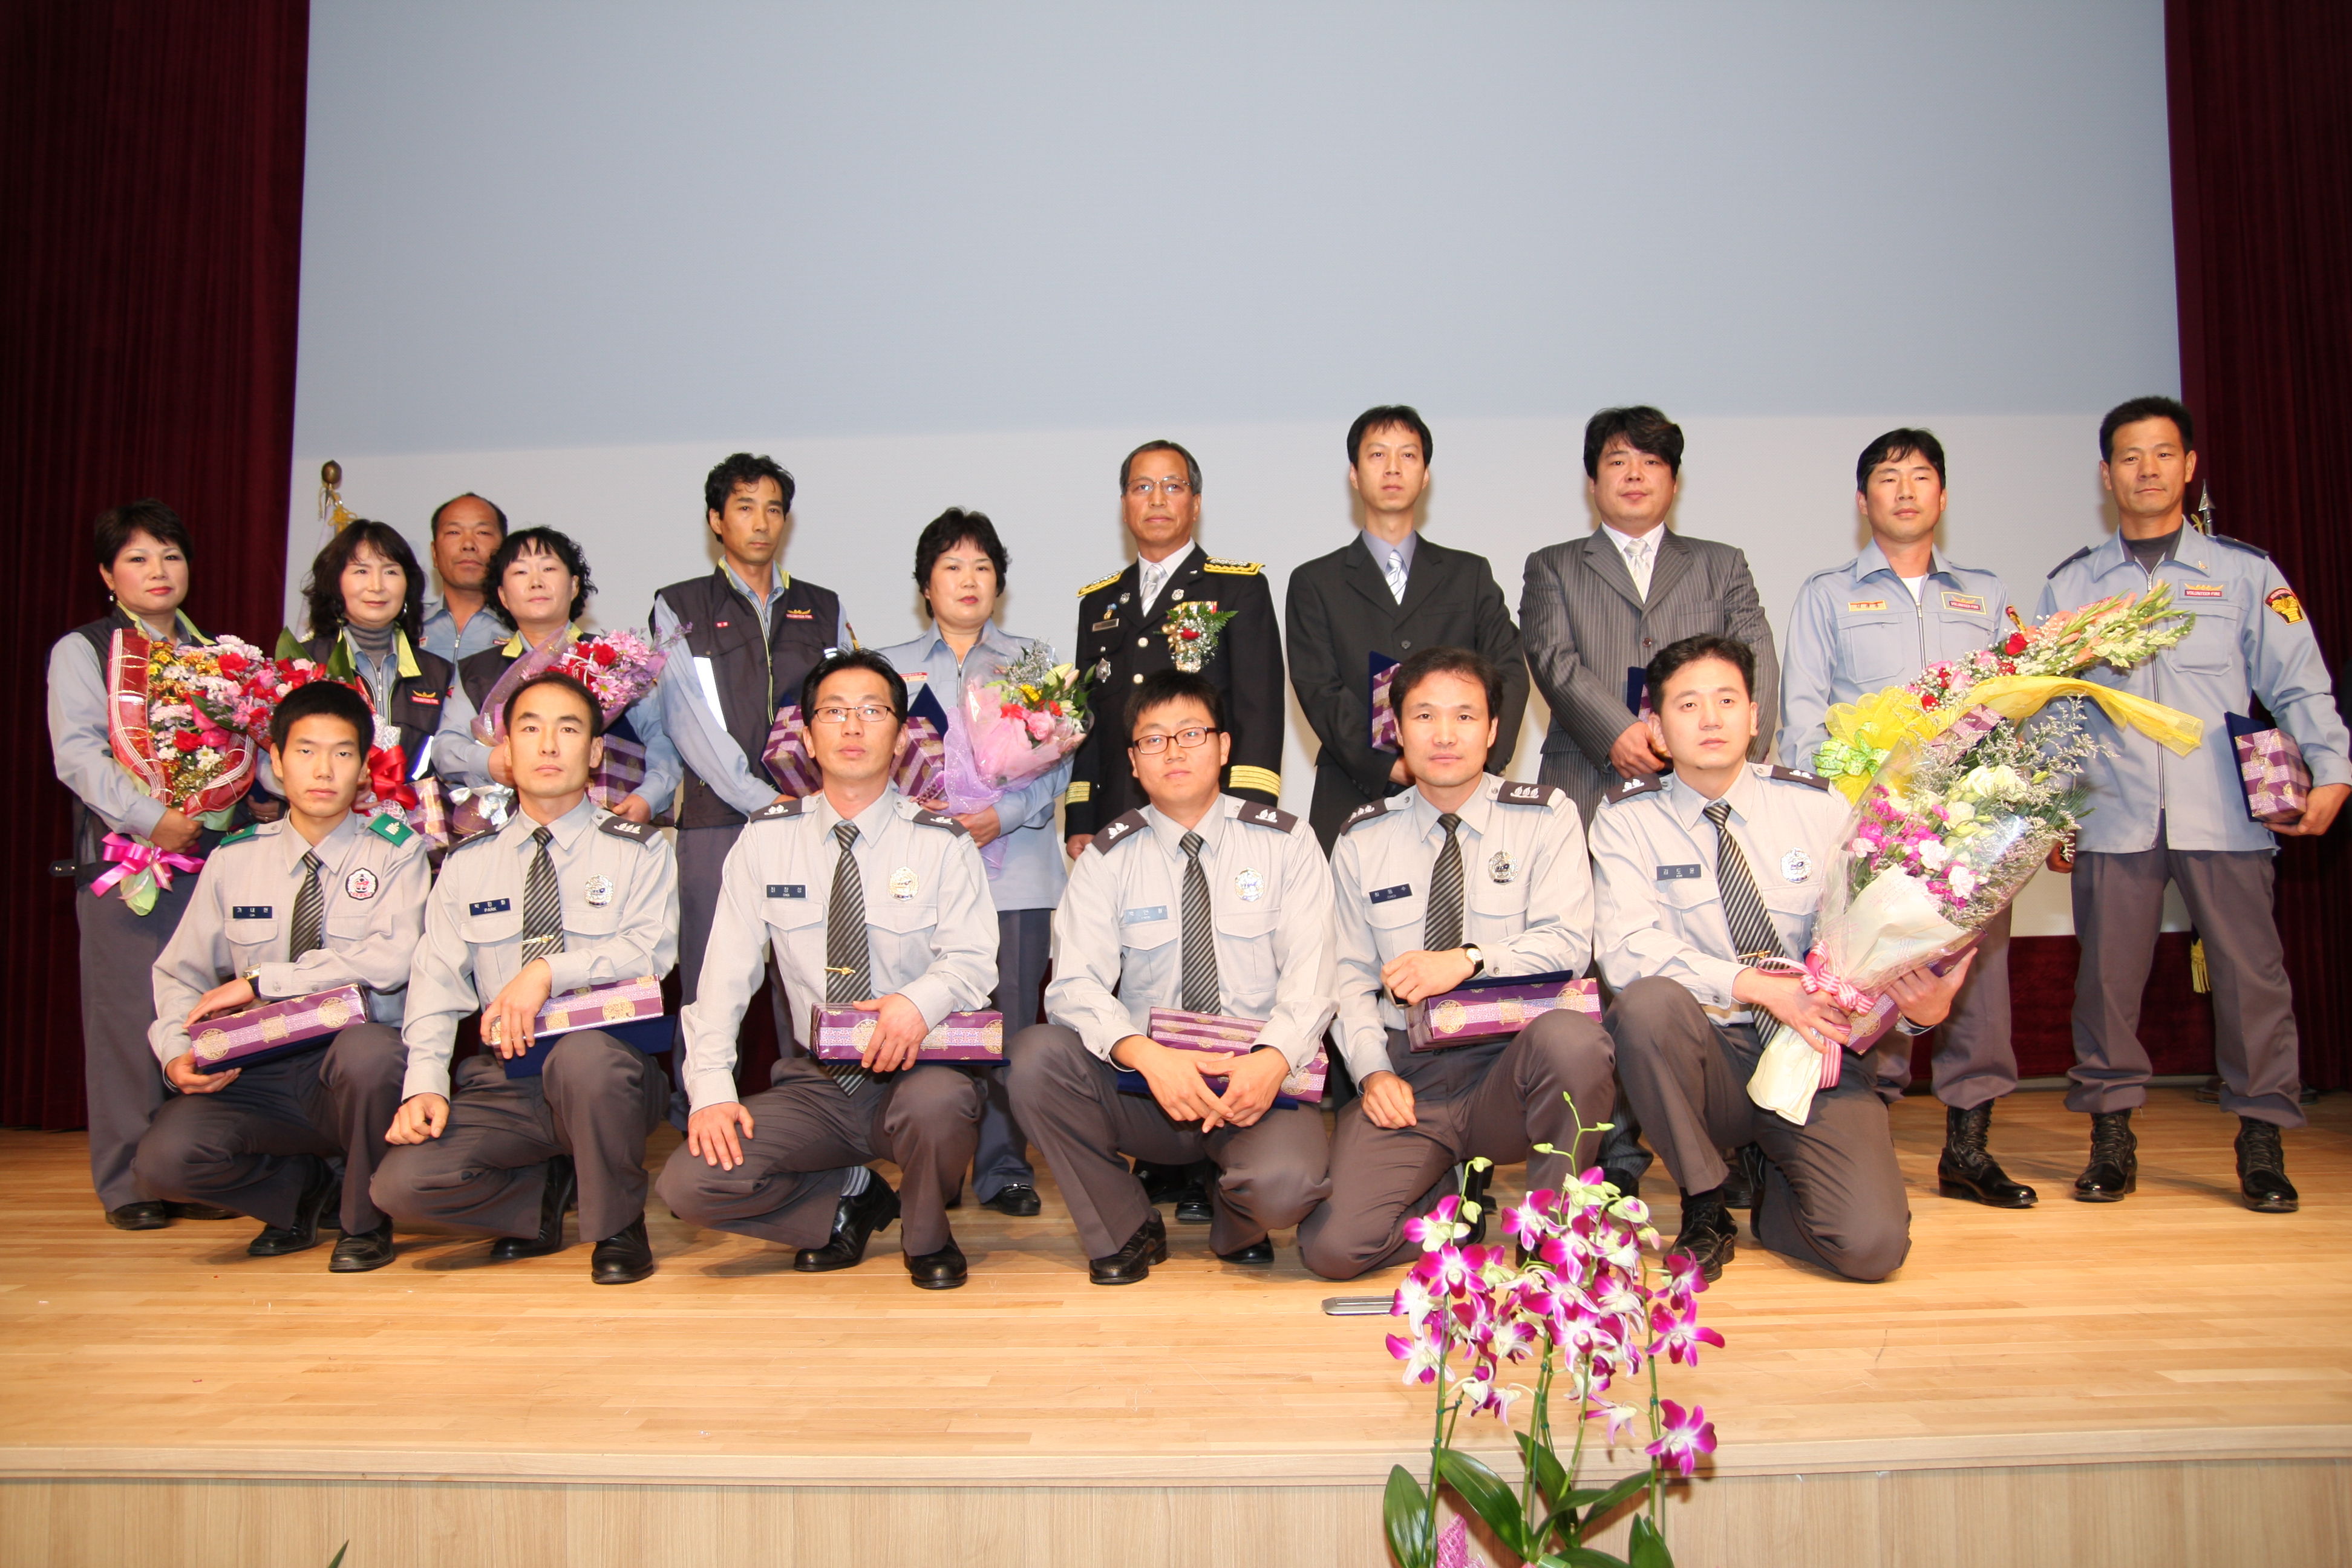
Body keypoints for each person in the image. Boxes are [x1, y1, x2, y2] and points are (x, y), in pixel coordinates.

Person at [2040, 396, 2348, 1214]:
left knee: (2253, 982)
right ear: (2106, 474)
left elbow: (2300, 683)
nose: (2147, 470)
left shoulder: (2246, 573)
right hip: (2115, 813)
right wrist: (2050, 812)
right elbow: (2053, 708)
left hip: (2226, 812)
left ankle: (2262, 1139)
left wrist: (2333, 769)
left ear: (2189, 466)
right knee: (2107, 985)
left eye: (2163, 454)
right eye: (2130, 457)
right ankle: (2112, 1138)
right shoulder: (2073, 583)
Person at [1593, 636, 1973, 1282]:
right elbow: (1628, 950)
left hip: (1812, 1048)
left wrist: (1919, 1014)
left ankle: (1774, 1190)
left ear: (1754, 717)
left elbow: (1872, 944)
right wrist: (1757, 986)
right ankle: (1706, 1201)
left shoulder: (1819, 807)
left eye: (1726, 701)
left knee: (1871, 1249)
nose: (1710, 719)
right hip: (1709, 1057)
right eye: (1687, 705)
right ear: (1655, 727)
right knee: (1647, 1006)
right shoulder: (1627, 820)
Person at [658, 652, 998, 1289]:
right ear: (808, 739)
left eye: (873, 711)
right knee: (690, 1183)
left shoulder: (942, 842)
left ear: (900, 737)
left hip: (918, 1069)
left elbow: (974, 960)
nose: (853, 726)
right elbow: (724, 980)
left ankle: (928, 1236)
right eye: (834, 712)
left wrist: (916, 1004)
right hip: (819, 1082)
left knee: (942, 1104)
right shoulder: (766, 840)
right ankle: (848, 1198)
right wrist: (711, 1091)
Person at [1520, 406, 1780, 1192]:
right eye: (1617, 462)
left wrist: (1715, 746)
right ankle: (1617, 1156)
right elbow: (1553, 658)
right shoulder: (1553, 566)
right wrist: (1618, 733)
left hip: (1699, 789)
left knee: (1715, 940)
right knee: (1601, 972)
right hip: (1590, 777)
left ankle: (1733, 1136)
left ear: (1674, 478)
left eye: (1651, 462)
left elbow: (1755, 662)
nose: (1634, 476)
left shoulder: (1720, 565)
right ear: (1592, 479)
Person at [1299, 647, 1616, 1281]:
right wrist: (1372, 1073)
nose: (1444, 734)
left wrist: (1470, 961)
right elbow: (1349, 978)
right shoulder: (1362, 838)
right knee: (1333, 1248)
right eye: (1424, 716)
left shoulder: (1545, 816)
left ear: (1493, 730)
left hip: (1513, 1066)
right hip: (1411, 1075)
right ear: (1398, 731)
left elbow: (1567, 945)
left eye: (1465, 716)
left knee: (1576, 1042)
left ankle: (1551, 1239)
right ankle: (1448, 1196)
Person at [1008, 670, 1334, 1284]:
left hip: (1257, 1082)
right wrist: (1147, 1056)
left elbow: (1313, 977)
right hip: (1151, 1089)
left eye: (1191, 733)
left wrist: (1270, 1061)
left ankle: (1236, 1215)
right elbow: (1074, 988)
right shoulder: (1107, 858)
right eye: (1154, 740)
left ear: (1225, 747)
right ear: (1134, 762)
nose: (1174, 752)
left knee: (1286, 1187)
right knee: (1034, 1059)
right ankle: (1125, 1223)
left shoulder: (1286, 843)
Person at [1776, 430, 2032, 1207]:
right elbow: (1802, 717)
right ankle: (1868, 1136)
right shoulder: (1827, 595)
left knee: (1976, 988)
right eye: (1889, 478)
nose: (1906, 490)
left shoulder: (1985, 595)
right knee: (1874, 983)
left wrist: (2012, 804)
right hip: (1874, 828)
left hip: (1970, 827)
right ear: (1864, 501)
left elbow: (2020, 703)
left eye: (1921, 477)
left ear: (1943, 496)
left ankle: (1969, 1148)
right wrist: (1835, 815)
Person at [373, 671, 679, 1284]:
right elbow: (435, 984)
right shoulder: (467, 864)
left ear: (595, 751)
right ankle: (537, 1198)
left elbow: (651, 952)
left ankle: (618, 1224)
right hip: (507, 1078)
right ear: (506, 752)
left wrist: (547, 971)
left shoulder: (641, 850)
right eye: (531, 729)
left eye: (568, 730)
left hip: (608, 1072)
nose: (548, 745)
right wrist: (424, 1084)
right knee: (400, 1188)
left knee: (585, 1060)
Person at [133, 680, 426, 1270]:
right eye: (306, 751)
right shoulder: (235, 859)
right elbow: (180, 973)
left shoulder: (397, 853)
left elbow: (392, 961)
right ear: (276, 761)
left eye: (342, 753)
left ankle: (365, 1221)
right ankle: (299, 1196)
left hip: (352, 1069)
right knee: (163, 1162)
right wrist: (174, 1052)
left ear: (364, 768)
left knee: (371, 1055)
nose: (324, 769)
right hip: (257, 1066)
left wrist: (265, 981)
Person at [47, 500, 240, 1229]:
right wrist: (150, 818)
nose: (159, 571)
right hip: (128, 862)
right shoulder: (85, 650)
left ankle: (194, 1170)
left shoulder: (220, 656)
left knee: (206, 1016)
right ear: (107, 574)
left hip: (210, 859)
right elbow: (78, 754)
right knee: (129, 1018)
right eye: (138, 558)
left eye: (171, 556)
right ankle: (130, 1182)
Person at [872, 509, 1070, 1217]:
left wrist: (1001, 816)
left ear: (999, 584)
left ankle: (1005, 1167)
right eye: (952, 566)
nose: (968, 580)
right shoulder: (888, 666)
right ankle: (938, 1164)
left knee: (1010, 1023)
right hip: (917, 879)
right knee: (934, 1018)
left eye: (983, 567)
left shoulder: (1033, 661)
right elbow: (868, 764)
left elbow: (1057, 765)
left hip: (1015, 868)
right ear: (926, 585)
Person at [653, 454, 849, 1123]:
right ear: (716, 520)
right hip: (718, 817)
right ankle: (699, 1114)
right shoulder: (680, 605)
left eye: (773, 509)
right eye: (744, 507)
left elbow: (838, 704)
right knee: (711, 974)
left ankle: (818, 1116)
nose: (760, 522)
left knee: (810, 969)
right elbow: (687, 720)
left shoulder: (823, 607)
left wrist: (805, 801)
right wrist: (761, 800)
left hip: (809, 818)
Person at [1286, 405, 1529, 850]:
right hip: (1354, 788)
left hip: (1465, 790)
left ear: (1426, 475)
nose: (1393, 468)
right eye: (1378, 455)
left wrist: (1475, 760)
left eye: (1408, 455)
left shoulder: (1469, 574)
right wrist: (1387, 764)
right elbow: (1319, 688)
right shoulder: (1314, 582)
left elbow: (1510, 672)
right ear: (1354, 474)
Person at [1063, 440, 1285, 852]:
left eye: (1173, 486)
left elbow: (1260, 712)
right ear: (1125, 505)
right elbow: (1089, 718)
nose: (1157, 499)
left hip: (1213, 815)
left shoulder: (1238, 589)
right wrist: (1082, 816)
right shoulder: (1098, 603)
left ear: (1196, 504)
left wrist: (1250, 813)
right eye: (1142, 487)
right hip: (1119, 814)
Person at [434, 525, 679, 826]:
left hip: (606, 827)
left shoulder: (614, 659)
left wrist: (649, 798)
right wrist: (489, 761)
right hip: (507, 832)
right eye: (520, 572)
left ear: (574, 586)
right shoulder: (477, 671)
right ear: (503, 595)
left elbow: (664, 737)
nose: (536, 582)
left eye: (548, 569)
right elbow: (446, 747)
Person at [288, 520, 455, 777]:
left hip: (412, 802)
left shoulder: (439, 673)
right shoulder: (302, 664)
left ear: (408, 584)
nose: (377, 586)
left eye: (391, 572)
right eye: (361, 571)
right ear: (336, 582)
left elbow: (446, 759)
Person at [418, 492, 511, 667]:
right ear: (435, 553)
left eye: (483, 533)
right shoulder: (408, 629)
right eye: (454, 532)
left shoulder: (523, 630)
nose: (468, 545)